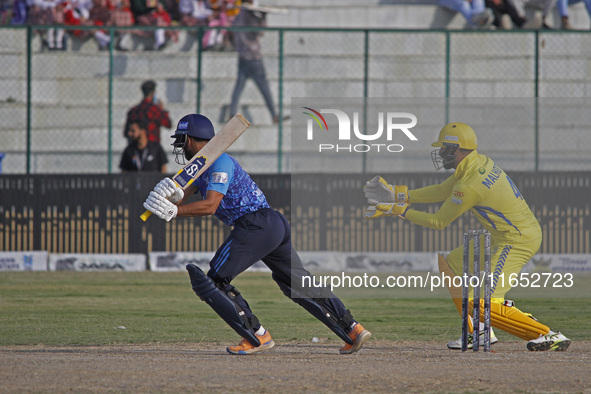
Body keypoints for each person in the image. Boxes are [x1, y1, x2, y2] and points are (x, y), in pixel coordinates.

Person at [143, 113, 371, 355]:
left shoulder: (220, 163)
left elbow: (209, 206)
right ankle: (353, 329)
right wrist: (165, 194)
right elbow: (180, 196)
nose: (179, 146)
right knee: (296, 283)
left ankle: (258, 336)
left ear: (188, 139)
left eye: (180, 141)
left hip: (255, 225)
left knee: (214, 281)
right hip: (273, 224)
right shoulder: (203, 169)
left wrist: (174, 211)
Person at [363, 122, 571, 352]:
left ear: (456, 149)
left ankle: (547, 334)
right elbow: (443, 191)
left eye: (444, 149)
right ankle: (477, 333)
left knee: (481, 303)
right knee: (450, 264)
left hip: (516, 239)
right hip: (502, 234)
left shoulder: (471, 184)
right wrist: (397, 194)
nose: (441, 154)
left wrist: (398, 210)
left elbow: (438, 222)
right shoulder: (476, 165)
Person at [229, 1, 287, 124]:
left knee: (238, 87)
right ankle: (274, 114)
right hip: (253, 57)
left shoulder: (239, 16)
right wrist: (263, 16)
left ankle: (231, 113)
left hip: (242, 56)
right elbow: (261, 31)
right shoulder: (250, 17)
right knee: (264, 88)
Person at [123, 80, 172, 144]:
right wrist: (162, 110)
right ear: (153, 93)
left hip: (135, 146)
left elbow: (126, 132)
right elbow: (168, 124)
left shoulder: (133, 111)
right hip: (153, 146)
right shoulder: (155, 110)